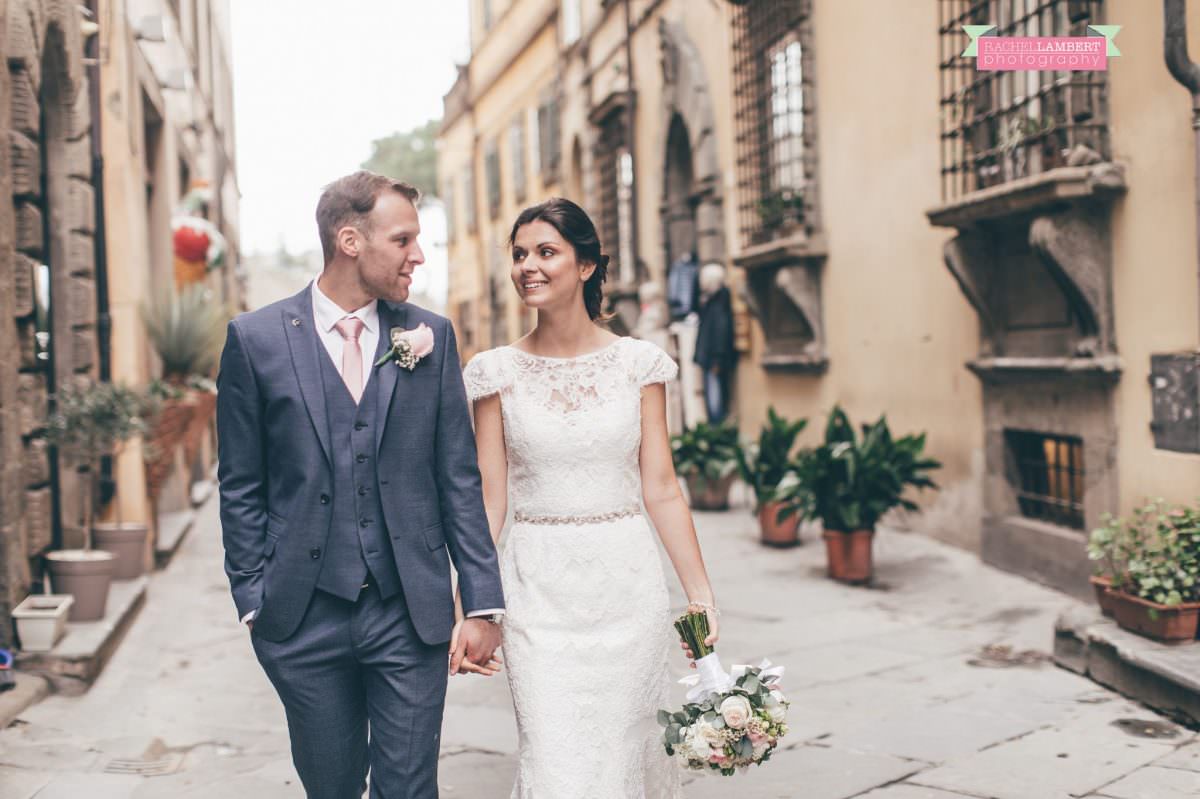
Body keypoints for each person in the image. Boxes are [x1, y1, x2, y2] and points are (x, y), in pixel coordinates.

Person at [216, 171, 505, 798]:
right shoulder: (255, 339)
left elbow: (457, 477)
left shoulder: (432, 336)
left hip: (409, 613)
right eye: (403, 240)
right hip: (300, 617)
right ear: (350, 240)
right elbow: (241, 483)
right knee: (333, 787)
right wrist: (252, 596)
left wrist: (482, 601)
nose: (418, 256)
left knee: (408, 788)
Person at [461, 197, 719, 797]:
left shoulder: (638, 365)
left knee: (622, 766)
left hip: (627, 590)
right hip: (535, 593)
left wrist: (699, 594)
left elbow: (661, 487)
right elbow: (489, 496)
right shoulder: (496, 373)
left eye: (546, 252)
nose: (528, 265)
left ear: (585, 266)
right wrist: (473, 602)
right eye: (520, 253)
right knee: (557, 768)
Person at [693, 262, 737, 423]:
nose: (701, 284)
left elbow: (720, 331)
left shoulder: (718, 303)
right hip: (710, 358)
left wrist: (717, 359)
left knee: (715, 400)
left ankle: (717, 429)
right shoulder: (711, 301)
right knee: (713, 397)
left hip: (713, 360)